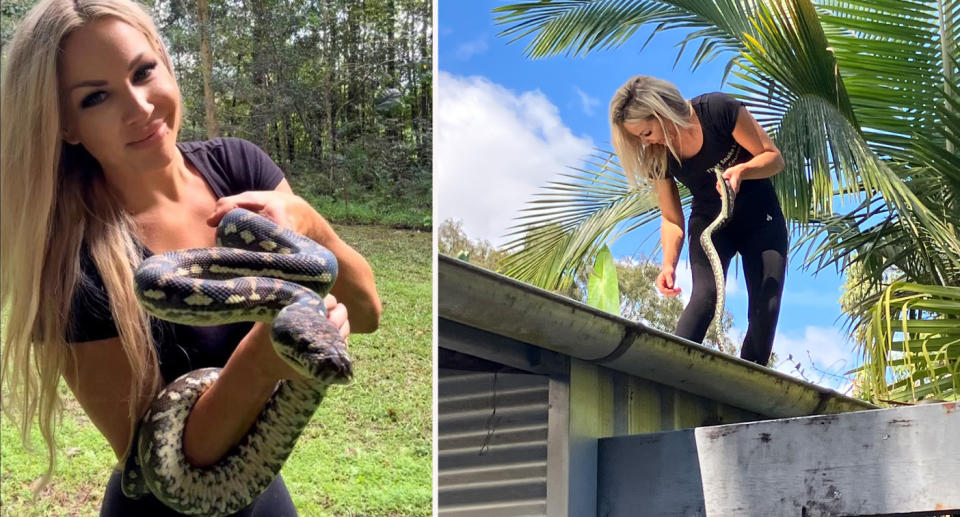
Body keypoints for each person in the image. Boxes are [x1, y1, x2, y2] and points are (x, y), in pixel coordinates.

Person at [0, 0, 381, 515]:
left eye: (142, 71)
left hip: (264, 493)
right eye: (96, 97)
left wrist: (310, 222)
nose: (139, 107)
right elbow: (162, 460)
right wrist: (264, 358)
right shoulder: (71, 263)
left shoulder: (241, 169)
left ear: (164, 60)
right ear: (66, 125)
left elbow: (366, 312)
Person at [609, 75, 787, 366]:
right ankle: (669, 374)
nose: (646, 141)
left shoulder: (718, 110)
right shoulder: (658, 155)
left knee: (766, 307)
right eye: (639, 137)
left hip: (761, 217)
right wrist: (668, 264)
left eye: (647, 132)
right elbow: (671, 218)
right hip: (710, 223)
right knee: (705, 297)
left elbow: (773, 158)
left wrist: (741, 171)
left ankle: (747, 385)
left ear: (662, 111)